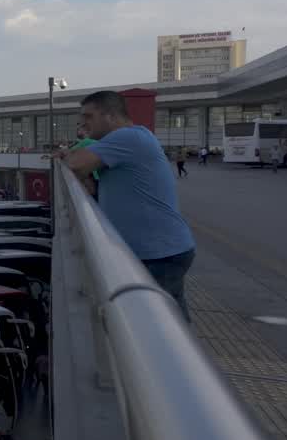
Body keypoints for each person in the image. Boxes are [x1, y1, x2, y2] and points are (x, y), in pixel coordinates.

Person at [58, 90, 197, 321]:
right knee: (172, 321)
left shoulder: (128, 137)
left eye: (89, 116)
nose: (83, 122)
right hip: (163, 250)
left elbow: (76, 163)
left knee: (158, 323)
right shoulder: (125, 142)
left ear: (111, 116)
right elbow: (90, 184)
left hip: (158, 254)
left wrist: (67, 156)